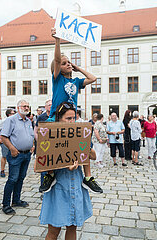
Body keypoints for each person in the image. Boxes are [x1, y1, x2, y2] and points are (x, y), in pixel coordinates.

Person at [39, 27, 102, 194]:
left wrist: (76, 67)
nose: (67, 64)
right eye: (64, 63)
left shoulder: (76, 81)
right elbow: (57, 58)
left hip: (72, 117)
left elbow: (93, 78)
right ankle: (49, 174)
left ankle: (88, 177)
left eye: (68, 63)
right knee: (51, 144)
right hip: (57, 117)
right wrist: (57, 40)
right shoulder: (57, 79)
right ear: (57, 67)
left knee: (85, 141)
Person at [39, 102, 93, 240]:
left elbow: (93, 156)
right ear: (59, 119)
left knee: (72, 227)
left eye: (73, 118)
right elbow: (41, 165)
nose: (72, 121)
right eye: (68, 119)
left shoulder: (79, 132)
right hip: (58, 186)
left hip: (76, 184)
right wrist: (62, 164)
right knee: (53, 230)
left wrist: (85, 145)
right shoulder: (50, 134)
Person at [0, 100, 35, 215]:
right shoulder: (11, 120)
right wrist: (12, 148)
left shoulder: (28, 121)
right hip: (16, 154)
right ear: (18, 107)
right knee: (13, 179)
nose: (26, 108)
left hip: (26, 154)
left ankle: (16, 200)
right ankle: (6, 204)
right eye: (24, 106)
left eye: (27, 106)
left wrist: (32, 145)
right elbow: (4, 137)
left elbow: (30, 135)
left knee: (21, 178)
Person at [34, 99, 53, 195]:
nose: (50, 106)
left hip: (54, 147)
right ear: (45, 107)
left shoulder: (56, 115)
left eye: (51, 104)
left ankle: (51, 189)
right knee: (43, 169)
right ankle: (43, 190)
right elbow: (36, 130)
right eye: (48, 105)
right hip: (43, 147)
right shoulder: (41, 117)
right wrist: (39, 142)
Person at [0, 109, 15, 177]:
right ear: (8, 114)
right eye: (12, 113)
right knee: (4, 156)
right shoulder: (4, 121)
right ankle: (2, 170)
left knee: (12, 156)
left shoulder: (14, 121)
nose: (14, 114)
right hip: (4, 141)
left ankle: (12, 170)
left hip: (11, 141)